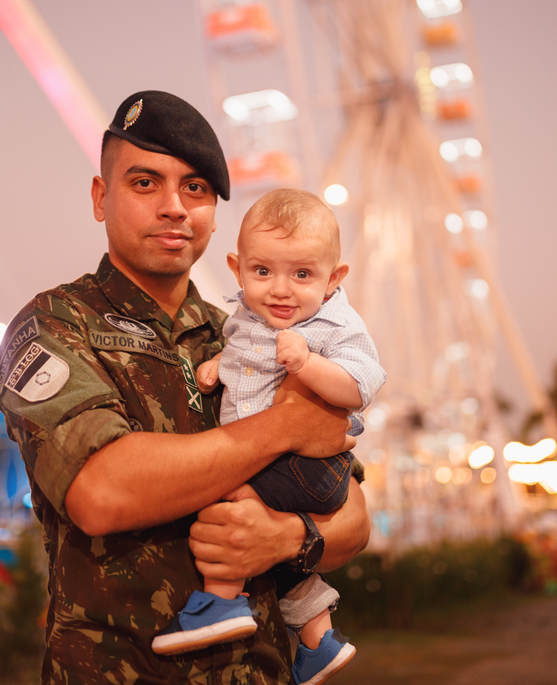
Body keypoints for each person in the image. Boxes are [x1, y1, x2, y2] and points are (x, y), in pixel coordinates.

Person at [0, 91, 369, 685]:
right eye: (145, 183)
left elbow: (353, 517)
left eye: (195, 188)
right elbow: (102, 490)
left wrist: (284, 539)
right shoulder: (54, 326)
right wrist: (285, 426)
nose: (174, 207)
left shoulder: (249, 336)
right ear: (100, 197)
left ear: (215, 213)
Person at [151, 189, 385, 685]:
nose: (280, 290)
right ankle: (320, 639)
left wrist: (309, 365)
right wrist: (219, 364)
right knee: (276, 552)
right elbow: (246, 358)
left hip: (312, 468)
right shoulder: (245, 318)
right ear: (238, 270)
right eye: (263, 272)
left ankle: (222, 600)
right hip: (283, 462)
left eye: (302, 274)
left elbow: (362, 384)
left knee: (222, 494)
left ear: (333, 279)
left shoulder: (331, 324)